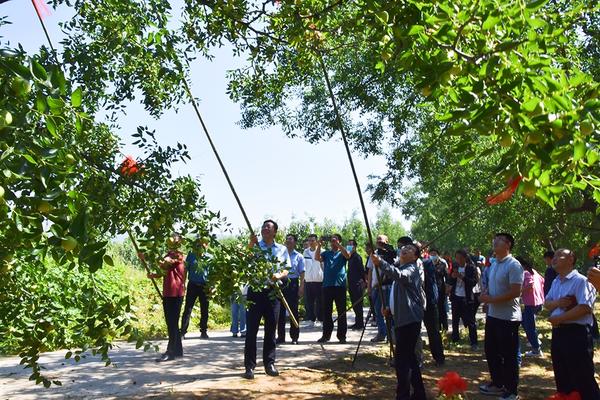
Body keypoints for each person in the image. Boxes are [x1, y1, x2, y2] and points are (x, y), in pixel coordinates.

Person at [371, 243, 426, 400]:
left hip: (409, 320)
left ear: (415, 257)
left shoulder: (411, 269)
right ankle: (419, 394)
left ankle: (402, 396)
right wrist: (389, 308)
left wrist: (381, 263)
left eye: (410, 249)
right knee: (410, 359)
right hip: (402, 318)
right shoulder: (401, 269)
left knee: (402, 362)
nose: (405, 249)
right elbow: (400, 292)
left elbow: (400, 277)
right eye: (405, 247)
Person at [545, 248, 599, 399]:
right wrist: (558, 303)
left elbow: (585, 308)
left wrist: (559, 319)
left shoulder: (581, 281)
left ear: (570, 260)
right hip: (558, 333)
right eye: (554, 255)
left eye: (559, 255)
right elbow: (547, 303)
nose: (554, 258)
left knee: (583, 379)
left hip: (576, 334)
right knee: (563, 377)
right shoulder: (556, 281)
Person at [479, 233, 524, 400]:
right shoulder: (494, 264)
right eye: (494, 239)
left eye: (500, 240)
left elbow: (515, 291)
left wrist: (491, 299)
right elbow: (491, 287)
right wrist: (486, 299)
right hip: (493, 315)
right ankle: (498, 383)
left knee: (509, 355)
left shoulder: (514, 265)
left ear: (508, 245)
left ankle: (511, 390)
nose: (495, 242)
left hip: (508, 317)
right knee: (491, 351)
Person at [243, 220, 290, 379]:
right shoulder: (256, 245)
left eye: (268, 227)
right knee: (251, 330)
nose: (264, 229)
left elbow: (286, 268)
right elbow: (245, 261)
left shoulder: (282, 249)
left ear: (275, 232)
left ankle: (269, 363)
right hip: (255, 291)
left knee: (271, 329)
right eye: (263, 226)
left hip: (273, 293)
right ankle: (249, 367)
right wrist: (250, 244)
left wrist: (279, 275)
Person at [146, 233, 186, 362]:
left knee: (172, 323)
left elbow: (165, 264)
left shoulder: (179, 255)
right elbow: (163, 271)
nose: (173, 241)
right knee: (172, 322)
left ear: (179, 242)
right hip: (168, 292)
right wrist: (154, 275)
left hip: (176, 292)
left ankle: (171, 351)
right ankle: (178, 349)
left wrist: (147, 256)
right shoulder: (167, 255)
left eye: (175, 240)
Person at [316, 234, 350, 344]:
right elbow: (317, 258)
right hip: (327, 285)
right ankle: (326, 335)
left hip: (340, 286)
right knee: (327, 312)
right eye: (331, 240)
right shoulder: (326, 253)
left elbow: (348, 255)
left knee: (341, 312)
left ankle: (342, 336)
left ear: (339, 241)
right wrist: (319, 245)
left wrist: (339, 245)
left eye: (335, 240)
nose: (332, 242)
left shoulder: (342, 252)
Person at [180, 238, 210, 340]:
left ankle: (204, 331)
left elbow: (212, 274)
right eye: (199, 244)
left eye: (203, 244)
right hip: (192, 284)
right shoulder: (191, 255)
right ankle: (182, 332)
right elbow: (185, 270)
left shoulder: (209, 256)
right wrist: (183, 284)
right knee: (188, 309)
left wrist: (212, 286)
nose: (201, 246)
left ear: (206, 245)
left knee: (204, 310)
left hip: (205, 286)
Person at [277, 234, 305, 344]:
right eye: (287, 239)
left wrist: (301, 287)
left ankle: (294, 337)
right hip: (280, 283)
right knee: (280, 311)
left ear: (295, 242)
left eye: (290, 239)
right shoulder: (280, 255)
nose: (288, 241)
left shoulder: (299, 256)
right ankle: (281, 337)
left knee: (293, 310)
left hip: (293, 284)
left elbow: (302, 273)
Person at [449, 249, 479, 350]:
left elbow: (473, 282)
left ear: (465, 258)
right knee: (455, 320)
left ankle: (474, 342)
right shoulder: (455, 267)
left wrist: (462, 277)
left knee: (470, 321)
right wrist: (453, 277)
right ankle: (455, 339)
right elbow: (450, 281)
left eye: (460, 258)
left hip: (467, 298)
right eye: (457, 258)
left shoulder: (471, 268)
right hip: (456, 297)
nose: (458, 260)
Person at [368, 234, 396, 342]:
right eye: (378, 241)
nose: (379, 243)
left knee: (390, 311)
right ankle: (381, 333)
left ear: (387, 242)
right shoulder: (373, 254)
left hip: (388, 286)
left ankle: (392, 334)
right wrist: (370, 286)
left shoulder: (392, 254)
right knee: (377, 311)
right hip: (376, 286)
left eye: (382, 241)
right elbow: (370, 270)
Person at [422, 249, 445, 365]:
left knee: (433, 331)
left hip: (429, 302)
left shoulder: (426, 263)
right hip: (414, 303)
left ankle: (439, 357)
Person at [518, 256, 545, 357]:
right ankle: (535, 340)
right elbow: (543, 281)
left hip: (530, 303)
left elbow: (530, 285)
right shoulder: (535, 272)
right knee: (525, 323)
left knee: (529, 327)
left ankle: (536, 349)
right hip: (539, 302)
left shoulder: (525, 273)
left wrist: (518, 291)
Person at [303, 234, 323, 327]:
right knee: (309, 301)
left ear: (316, 241)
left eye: (312, 240)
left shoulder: (322, 251)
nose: (310, 242)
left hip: (319, 280)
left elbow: (324, 266)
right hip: (308, 280)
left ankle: (321, 319)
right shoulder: (305, 252)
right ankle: (311, 320)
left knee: (320, 301)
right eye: (309, 240)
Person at [346, 239, 366, 330]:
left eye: (351, 245)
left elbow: (362, 271)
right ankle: (357, 322)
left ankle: (360, 324)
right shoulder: (350, 257)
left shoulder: (357, 257)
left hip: (358, 284)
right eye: (348, 245)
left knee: (358, 305)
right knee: (354, 304)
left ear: (355, 246)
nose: (349, 247)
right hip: (351, 284)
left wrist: (364, 282)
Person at [429, 249, 450, 332]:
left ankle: (445, 328)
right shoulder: (427, 264)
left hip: (441, 289)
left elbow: (447, 277)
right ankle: (437, 328)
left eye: (434, 254)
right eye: (431, 254)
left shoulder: (442, 264)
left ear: (438, 255)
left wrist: (448, 288)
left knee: (442, 309)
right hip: (430, 290)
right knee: (434, 310)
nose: (433, 256)